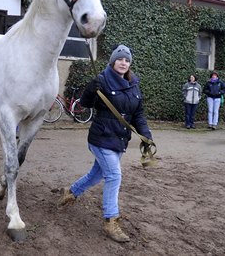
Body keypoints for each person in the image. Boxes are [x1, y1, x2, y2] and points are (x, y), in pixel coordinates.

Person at [57, 44, 153, 243]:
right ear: (112, 61)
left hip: (119, 140)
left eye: (127, 60)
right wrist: (90, 90)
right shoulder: (102, 80)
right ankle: (111, 221)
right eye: (120, 59)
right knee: (114, 176)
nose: (123, 63)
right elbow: (85, 104)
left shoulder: (134, 84)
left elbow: (138, 114)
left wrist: (146, 136)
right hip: (101, 138)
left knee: (96, 175)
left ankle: (71, 191)